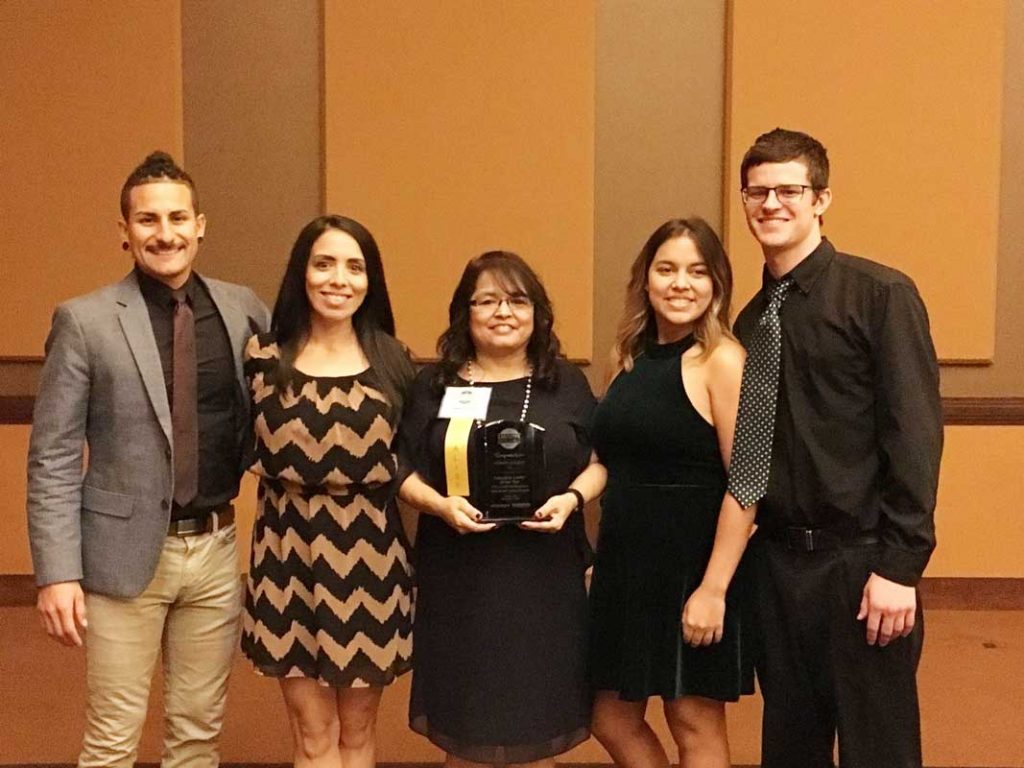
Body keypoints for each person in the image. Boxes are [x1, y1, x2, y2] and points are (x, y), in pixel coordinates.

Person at [26, 151, 270, 767]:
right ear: (124, 232)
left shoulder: (244, 310)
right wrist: (57, 572)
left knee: (196, 736)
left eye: (177, 217)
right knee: (112, 739)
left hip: (216, 553)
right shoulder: (83, 321)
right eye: (148, 220)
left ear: (200, 225)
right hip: (121, 557)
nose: (165, 234)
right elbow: (52, 455)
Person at [730, 128, 943, 768]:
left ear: (821, 198)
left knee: (878, 748)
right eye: (757, 191)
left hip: (863, 563)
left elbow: (914, 434)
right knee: (790, 745)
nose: (772, 204)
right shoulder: (749, 320)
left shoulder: (880, 296)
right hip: (777, 566)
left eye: (789, 190)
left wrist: (900, 568)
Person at [396, 251, 605, 768]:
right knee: (467, 724)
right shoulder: (435, 385)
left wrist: (572, 499)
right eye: (486, 300)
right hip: (460, 578)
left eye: (516, 300)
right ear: (465, 313)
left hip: (543, 579)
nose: (503, 312)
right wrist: (439, 505)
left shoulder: (565, 383)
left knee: (536, 722)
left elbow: (604, 460)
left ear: (537, 312)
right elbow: (400, 467)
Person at [240, 215, 415, 768]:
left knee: (357, 736)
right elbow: (236, 443)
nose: (338, 279)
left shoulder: (395, 360)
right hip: (286, 560)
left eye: (354, 266)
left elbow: (417, 465)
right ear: (302, 273)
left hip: (373, 564)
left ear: (371, 280)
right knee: (312, 737)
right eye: (324, 263)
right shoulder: (262, 357)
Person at [588, 218, 755, 768]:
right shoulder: (628, 359)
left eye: (697, 271)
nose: (681, 283)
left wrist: (713, 588)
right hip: (625, 567)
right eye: (667, 269)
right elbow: (610, 465)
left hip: (693, 567)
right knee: (609, 718)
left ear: (716, 286)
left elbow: (748, 486)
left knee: (693, 722)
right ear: (646, 280)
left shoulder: (723, 360)